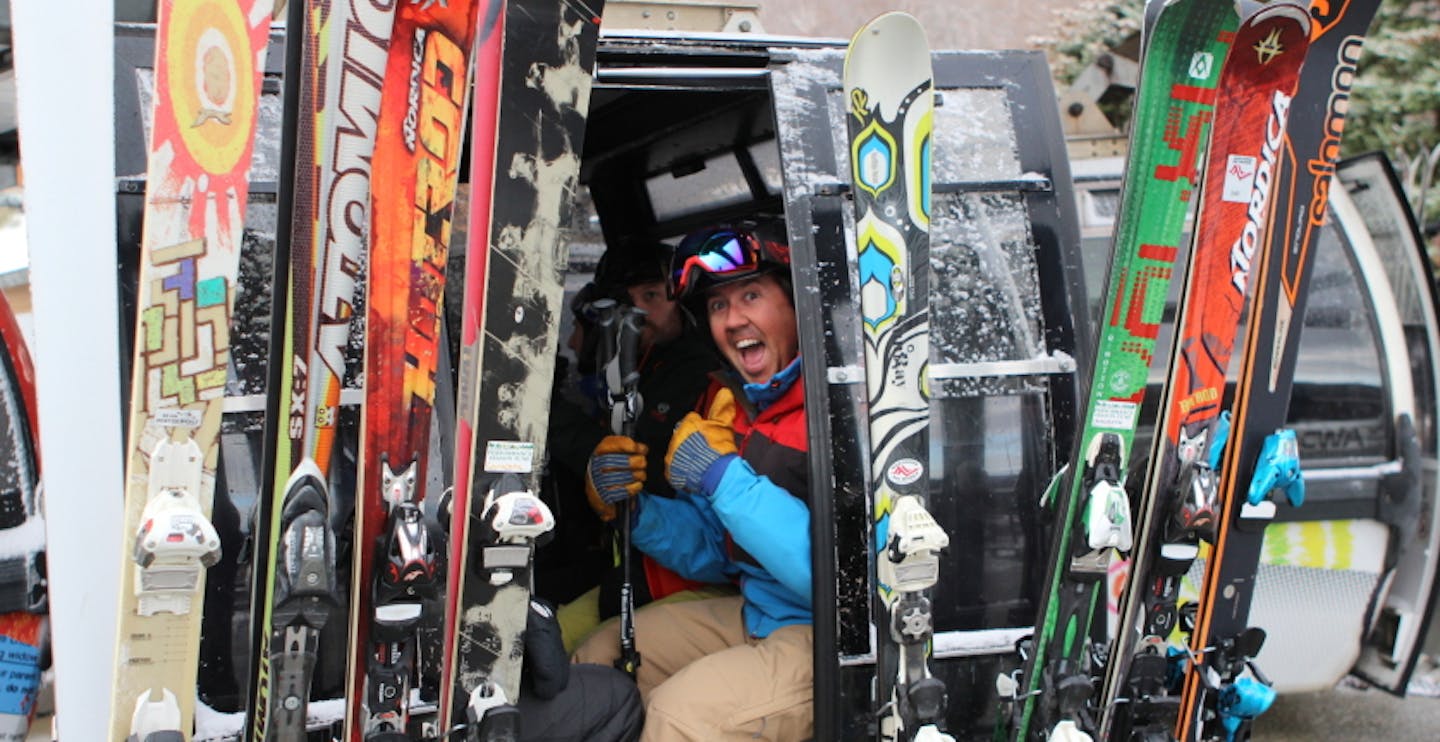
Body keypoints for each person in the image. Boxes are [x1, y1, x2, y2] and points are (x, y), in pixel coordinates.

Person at [572, 226, 813, 741]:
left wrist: (724, 480)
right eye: (718, 306)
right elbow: (716, 552)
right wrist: (632, 510)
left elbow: (841, 581)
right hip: (757, 614)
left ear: (798, 305)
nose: (734, 319)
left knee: (683, 716)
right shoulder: (747, 412)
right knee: (598, 663)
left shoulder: (841, 410)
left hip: (828, 634)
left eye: (751, 296)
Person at [538, 242, 725, 647]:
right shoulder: (640, 364)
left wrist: (548, 414)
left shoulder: (701, 373)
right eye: (629, 300)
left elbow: (649, 472)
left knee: (563, 650)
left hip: (673, 571)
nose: (639, 312)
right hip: (631, 559)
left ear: (684, 300)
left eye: (653, 297)